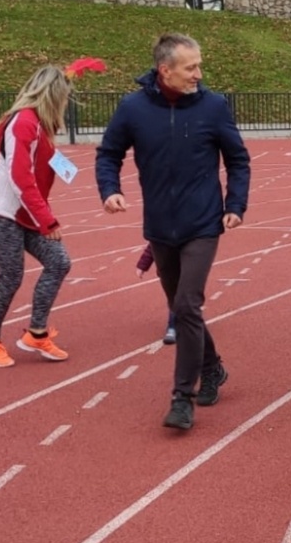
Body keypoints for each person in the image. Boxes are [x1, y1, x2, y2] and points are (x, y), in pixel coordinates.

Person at [95, 33, 252, 431]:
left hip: (203, 223)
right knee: (183, 310)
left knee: (185, 305)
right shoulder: (132, 108)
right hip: (160, 227)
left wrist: (235, 205)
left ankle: (183, 398)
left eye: (199, 66)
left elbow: (238, 160)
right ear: (165, 70)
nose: (199, 74)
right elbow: (108, 154)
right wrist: (110, 190)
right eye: (190, 67)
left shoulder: (213, 106)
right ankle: (212, 367)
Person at [0, 59, 102, 368]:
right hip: (0, 214)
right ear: (53, 96)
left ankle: (37, 333)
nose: (66, 105)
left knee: (59, 262)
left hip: (24, 214)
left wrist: (70, 168)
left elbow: (45, 159)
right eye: (64, 98)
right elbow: (20, 177)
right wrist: (47, 220)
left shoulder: (39, 127)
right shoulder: (23, 123)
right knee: (10, 277)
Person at [134, 244, 178, 345]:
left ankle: (176, 325)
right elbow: (153, 245)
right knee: (173, 298)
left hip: (188, 268)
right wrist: (142, 265)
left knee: (187, 297)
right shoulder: (161, 237)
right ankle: (173, 326)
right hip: (167, 270)